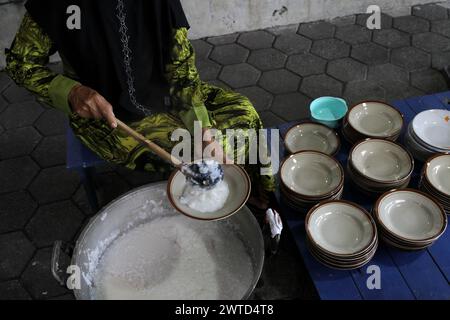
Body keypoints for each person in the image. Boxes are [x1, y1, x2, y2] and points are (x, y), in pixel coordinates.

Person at [5, 0, 275, 214]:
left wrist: (202, 128)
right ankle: (215, 214)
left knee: (243, 114)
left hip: (163, 93)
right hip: (108, 117)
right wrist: (72, 92)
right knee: (194, 156)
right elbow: (21, 64)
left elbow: (180, 69)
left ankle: (255, 196)